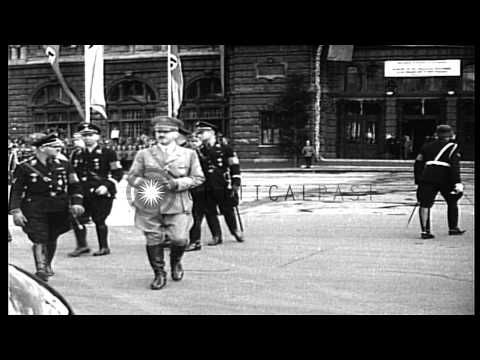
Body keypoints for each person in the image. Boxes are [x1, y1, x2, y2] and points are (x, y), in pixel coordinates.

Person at [127, 116, 205, 290]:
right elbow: (132, 176)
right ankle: (159, 273)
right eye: (158, 131)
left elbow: (198, 178)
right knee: (153, 238)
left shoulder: (188, 154)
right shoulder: (144, 154)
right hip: (150, 203)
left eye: (166, 131)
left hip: (177, 202)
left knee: (179, 239)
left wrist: (177, 183)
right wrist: (145, 183)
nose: (161, 134)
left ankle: (176, 262)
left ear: (176, 134)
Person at [8, 133, 85, 281]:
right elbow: (17, 190)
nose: (59, 149)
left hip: (58, 208)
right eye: (55, 147)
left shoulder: (64, 165)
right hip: (34, 208)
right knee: (39, 237)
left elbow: (75, 186)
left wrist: (77, 202)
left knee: (52, 236)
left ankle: (48, 263)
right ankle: (41, 269)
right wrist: (16, 210)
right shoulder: (25, 167)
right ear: (43, 148)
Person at [68, 123, 124, 257]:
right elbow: (73, 173)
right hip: (82, 191)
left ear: (97, 137)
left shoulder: (107, 153)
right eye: (84, 136)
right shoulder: (77, 154)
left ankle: (104, 247)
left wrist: (106, 186)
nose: (87, 138)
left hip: (101, 192)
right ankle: (82, 246)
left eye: (90, 135)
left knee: (99, 219)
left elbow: (117, 173)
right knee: (76, 218)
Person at [190, 121, 244, 247]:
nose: (199, 135)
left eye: (202, 132)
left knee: (227, 209)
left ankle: (234, 230)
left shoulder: (225, 148)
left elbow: (234, 166)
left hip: (222, 184)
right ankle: (216, 235)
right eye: (198, 133)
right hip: (206, 185)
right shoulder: (199, 150)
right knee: (210, 211)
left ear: (211, 132)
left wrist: (236, 182)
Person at [414, 124, 466, 239]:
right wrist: (457, 183)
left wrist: (419, 180)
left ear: (437, 135)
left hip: (427, 178)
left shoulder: (426, 146)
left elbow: (418, 164)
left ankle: (425, 231)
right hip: (445, 179)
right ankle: (453, 228)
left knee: (425, 204)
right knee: (452, 201)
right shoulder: (453, 147)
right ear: (450, 135)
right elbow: (454, 166)